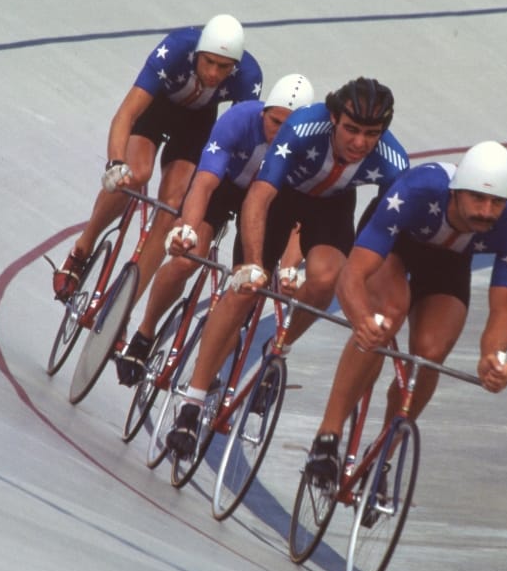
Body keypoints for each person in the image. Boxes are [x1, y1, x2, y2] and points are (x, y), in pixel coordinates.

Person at [165, 77, 411, 455]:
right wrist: (251, 264)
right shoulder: (303, 128)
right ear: (333, 119)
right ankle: (193, 400)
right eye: (352, 130)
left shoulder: (394, 163)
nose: (360, 143)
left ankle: (279, 346)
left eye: (372, 133)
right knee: (244, 290)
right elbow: (260, 198)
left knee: (328, 277)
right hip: (282, 196)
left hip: (332, 206)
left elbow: (375, 238)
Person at [303, 140, 507, 489]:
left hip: (449, 264)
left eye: (496, 202)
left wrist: (493, 357)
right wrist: (362, 319)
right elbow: (352, 275)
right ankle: (327, 436)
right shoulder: (417, 190)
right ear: (455, 192)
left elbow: (502, 310)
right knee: (387, 314)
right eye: (478, 199)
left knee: (430, 354)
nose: (487, 211)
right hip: (395, 246)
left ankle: (383, 455)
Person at [114, 73, 315, 386]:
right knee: (184, 260)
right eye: (275, 122)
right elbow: (204, 184)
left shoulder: (306, 150)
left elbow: (299, 219)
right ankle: (144, 334)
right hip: (222, 189)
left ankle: (199, 383)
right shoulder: (239, 119)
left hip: (267, 209)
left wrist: (288, 267)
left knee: (244, 296)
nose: (279, 134)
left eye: (288, 129)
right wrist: (188, 229)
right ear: (264, 112)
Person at [52, 14, 263, 307]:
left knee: (172, 206)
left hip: (197, 123)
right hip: (158, 107)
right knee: (135, 174)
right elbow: (126, 114)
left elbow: (235, 140)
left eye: (223, 67)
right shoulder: (176, 49)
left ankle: (120, 309)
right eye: (208, 62)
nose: (214, 73)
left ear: (235, 66)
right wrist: (115, 163)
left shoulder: (249, 78)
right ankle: (82, 248)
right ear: (197, 54)